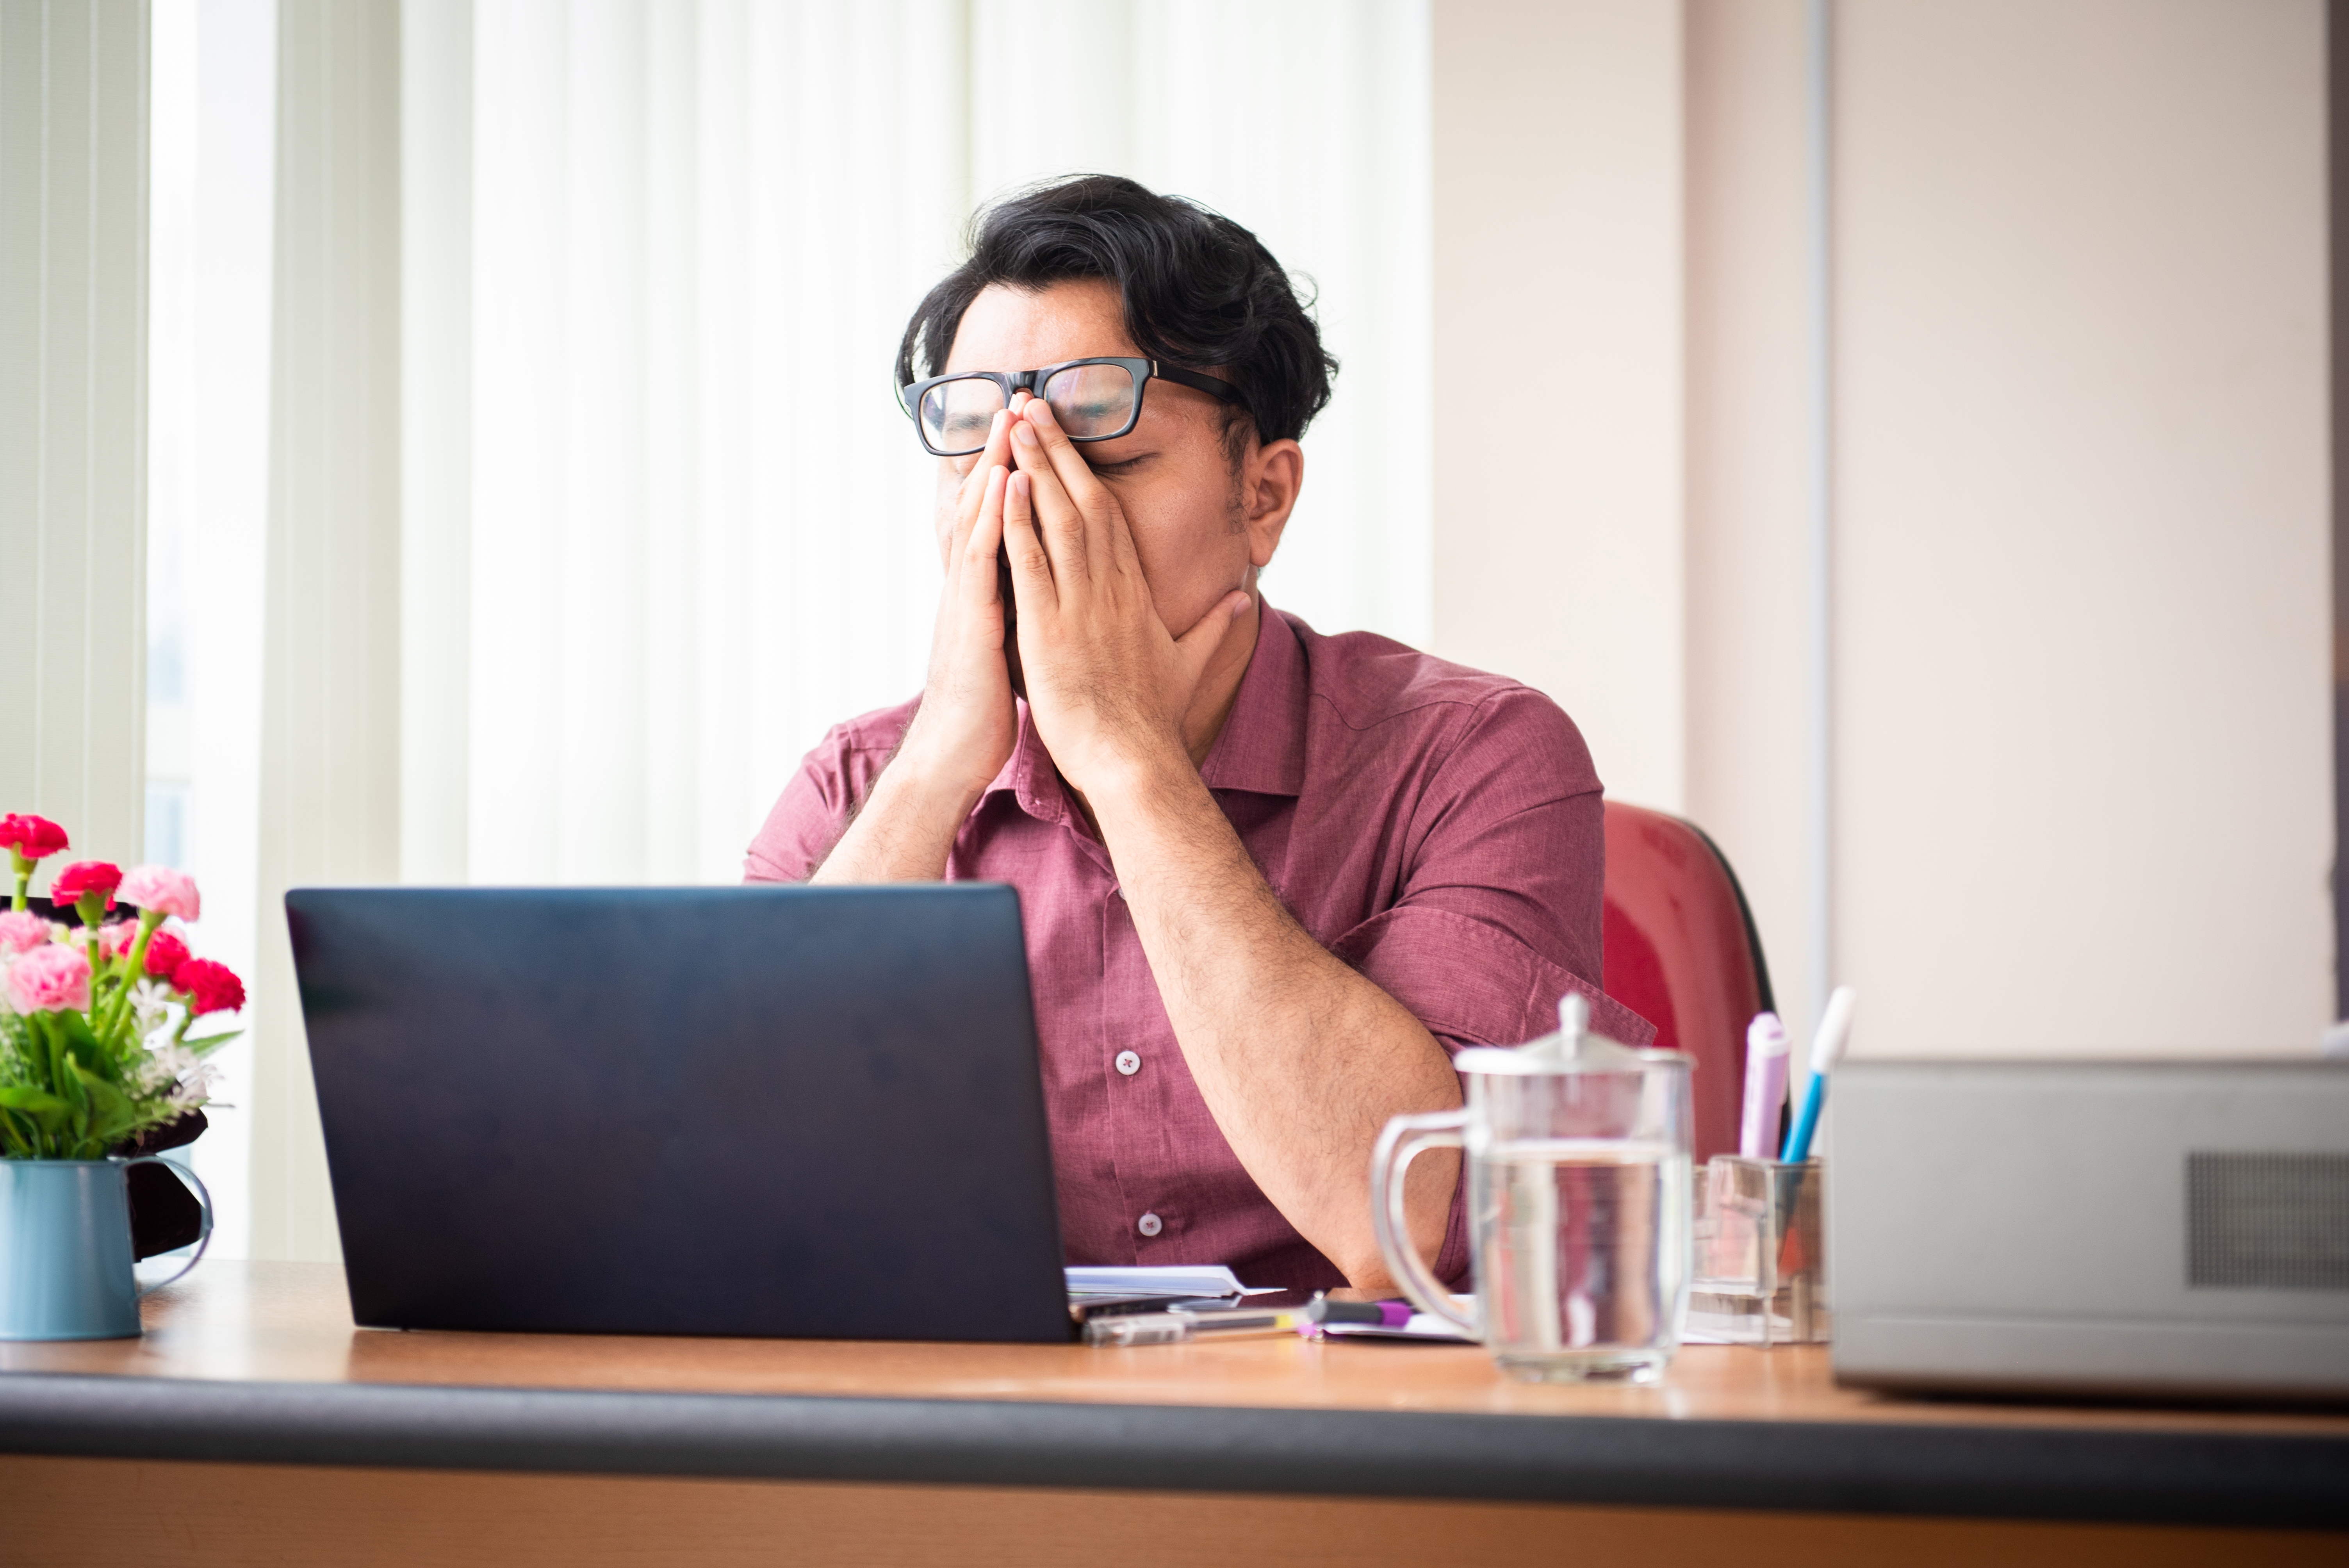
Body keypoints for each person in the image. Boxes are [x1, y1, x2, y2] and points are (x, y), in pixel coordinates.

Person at [746, 175, 1650, 1295]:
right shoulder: (857, 786)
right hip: (971, 1438)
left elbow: (1426, 1228)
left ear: (1264, 497)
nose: (1023, 502)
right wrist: (938, 762)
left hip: (1343, 1443)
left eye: (1103, 458)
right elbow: (722, 1186)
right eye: (978, 449)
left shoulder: (1478, 758)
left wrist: (1129, 760)